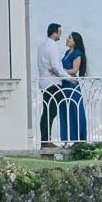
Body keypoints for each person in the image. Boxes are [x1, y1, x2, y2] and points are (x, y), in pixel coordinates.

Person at [36, 22, 66, 151]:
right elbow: (55, 66)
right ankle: (46, 140)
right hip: (52, 83)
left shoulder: (42, 46)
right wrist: (67, 76)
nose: (60, 34)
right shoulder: (52, 46)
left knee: (47, 110)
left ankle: (45, 139)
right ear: (54, 33)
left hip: (44, 81)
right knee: (51, 111)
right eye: (59, 32)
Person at [59, 31, 88, 143]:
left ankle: (79, 139)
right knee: (65, 111)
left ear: (75, 41)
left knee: (75, 111)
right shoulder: (67, 52)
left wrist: (63, 71)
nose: (67, 39)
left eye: (69, 38)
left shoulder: (77, 53)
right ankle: (66, 138)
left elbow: (75, 70)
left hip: (71, 85)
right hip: (64, 85)